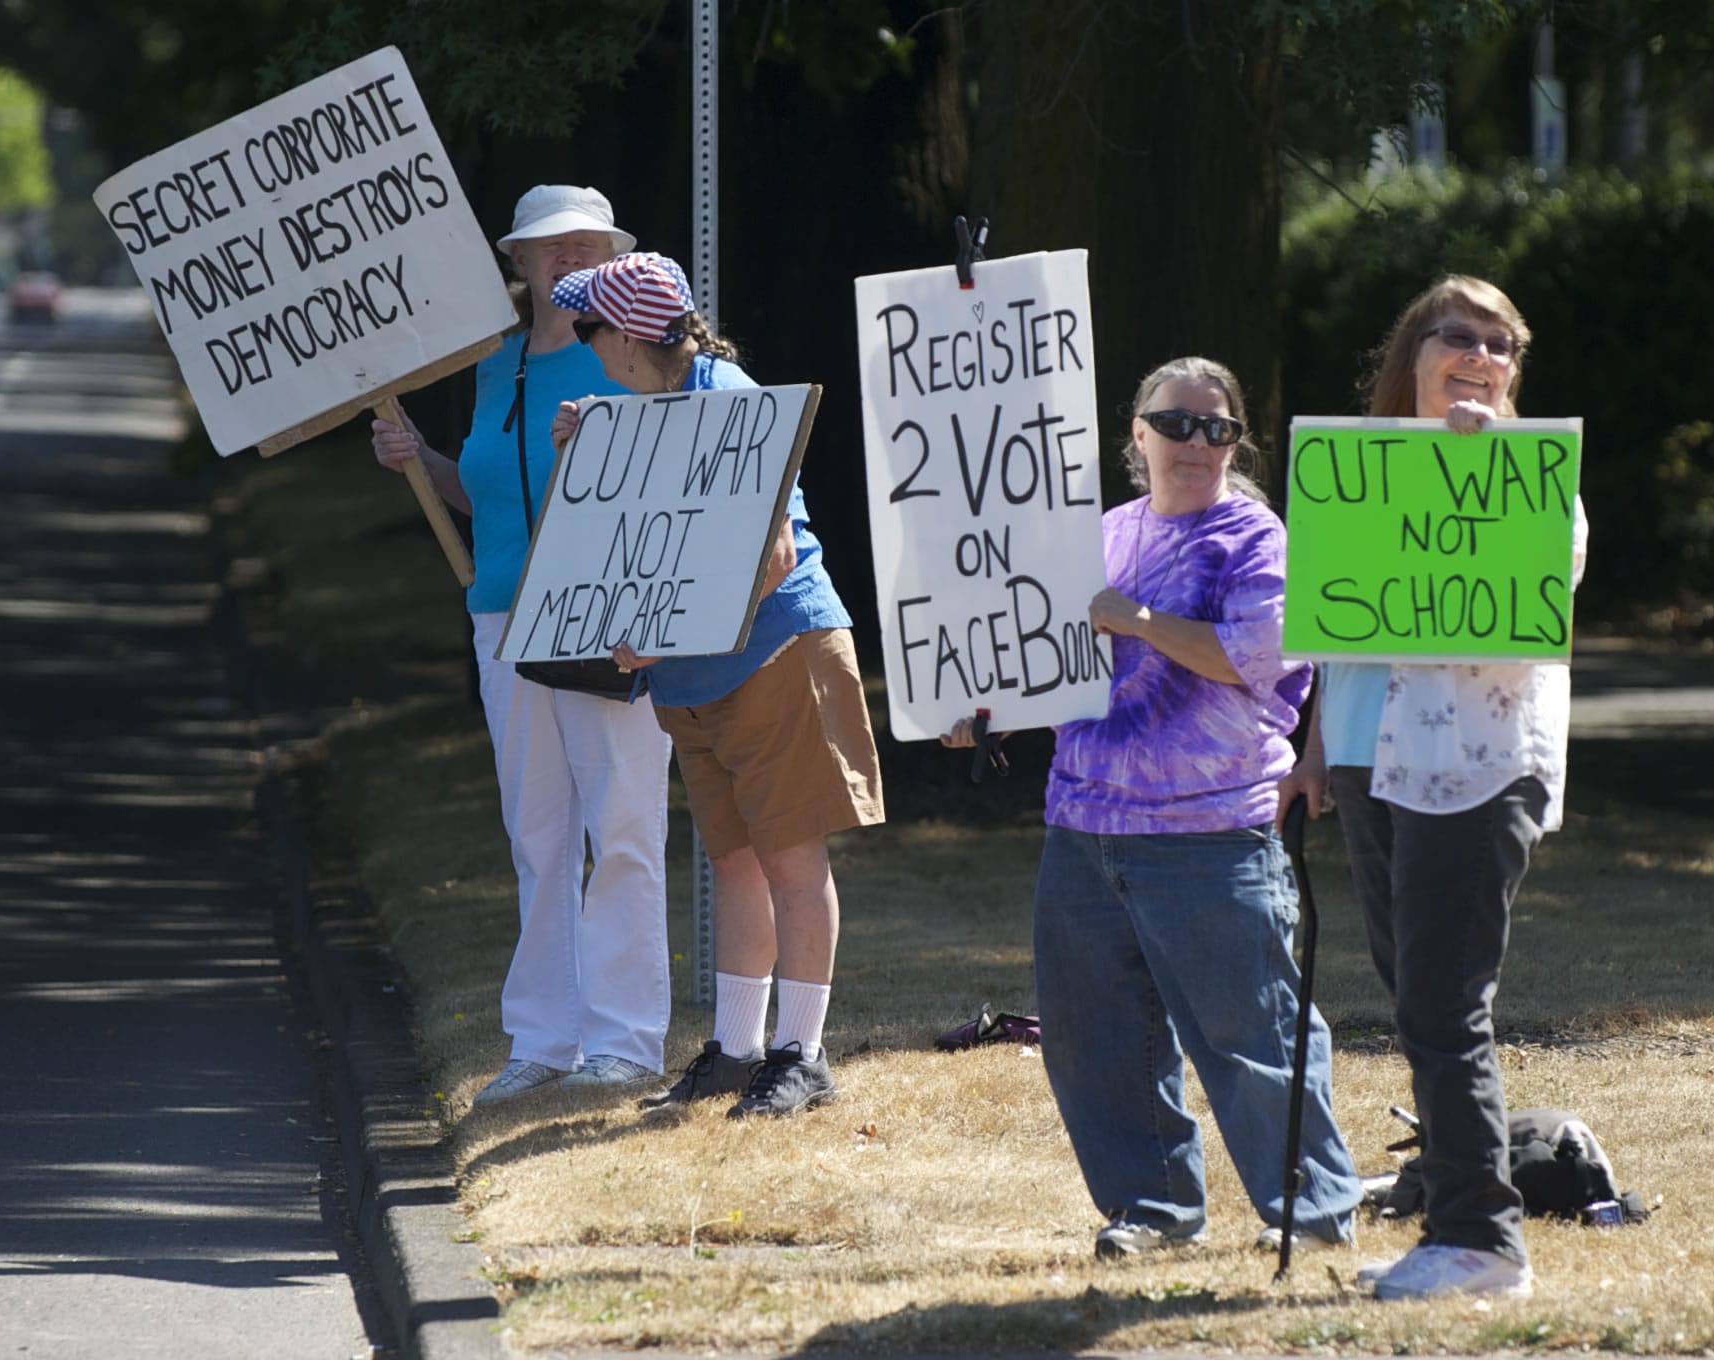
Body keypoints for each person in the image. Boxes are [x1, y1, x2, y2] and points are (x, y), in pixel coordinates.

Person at [944, 356, 1363, 1259]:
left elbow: (1253, 657)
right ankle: (1154, 1210)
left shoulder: (1253, 538)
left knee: (1253, 1039)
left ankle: (1313, 1215)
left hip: (1212, 831)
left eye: (1217, 429)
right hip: (1084, 826)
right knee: (1101, 1043)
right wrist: (983, 708)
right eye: (1176, 424)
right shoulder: (1102, 533)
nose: (1197, 444)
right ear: (1136, 434)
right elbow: (1055, 660)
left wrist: (1134, 619)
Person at [1281, 275, 1589, 1301]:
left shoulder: (1532, 471)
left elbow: (1561, 562)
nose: (1480, 354)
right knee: (1415, 995)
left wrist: (1486, 454)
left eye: (1501, 343)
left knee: (1444, 1003)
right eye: (1456, 335)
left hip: (1473, 769)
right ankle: (1447, 1198)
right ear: (1410, 356)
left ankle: (1479, 1238)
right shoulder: (1357, 472)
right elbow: (1337, 627)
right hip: (1374, 763)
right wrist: (1319, 747)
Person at [545, 251, 885, 1119]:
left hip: (775, 652)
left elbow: (769, 559)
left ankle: (800, 1056)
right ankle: (738, 1050)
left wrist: (660, 630)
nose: (584, 349)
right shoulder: (645, 409)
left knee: (789, 856)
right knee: (734, 858)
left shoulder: (727, 401)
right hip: (696, 671)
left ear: (624, 338)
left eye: (588, 331)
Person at [369, 185, 674, 1106]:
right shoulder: (494, 364)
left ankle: (626, 1041)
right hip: (502, 619)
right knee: (537, 837)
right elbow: (489, 494)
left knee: (621, 824)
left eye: (587, 245)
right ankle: (543, 1041)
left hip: (602, 616)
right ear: (520, 264)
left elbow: (662, 484)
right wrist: (420, 458)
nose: (569, 259)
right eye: (551, 248)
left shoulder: (623, 355)